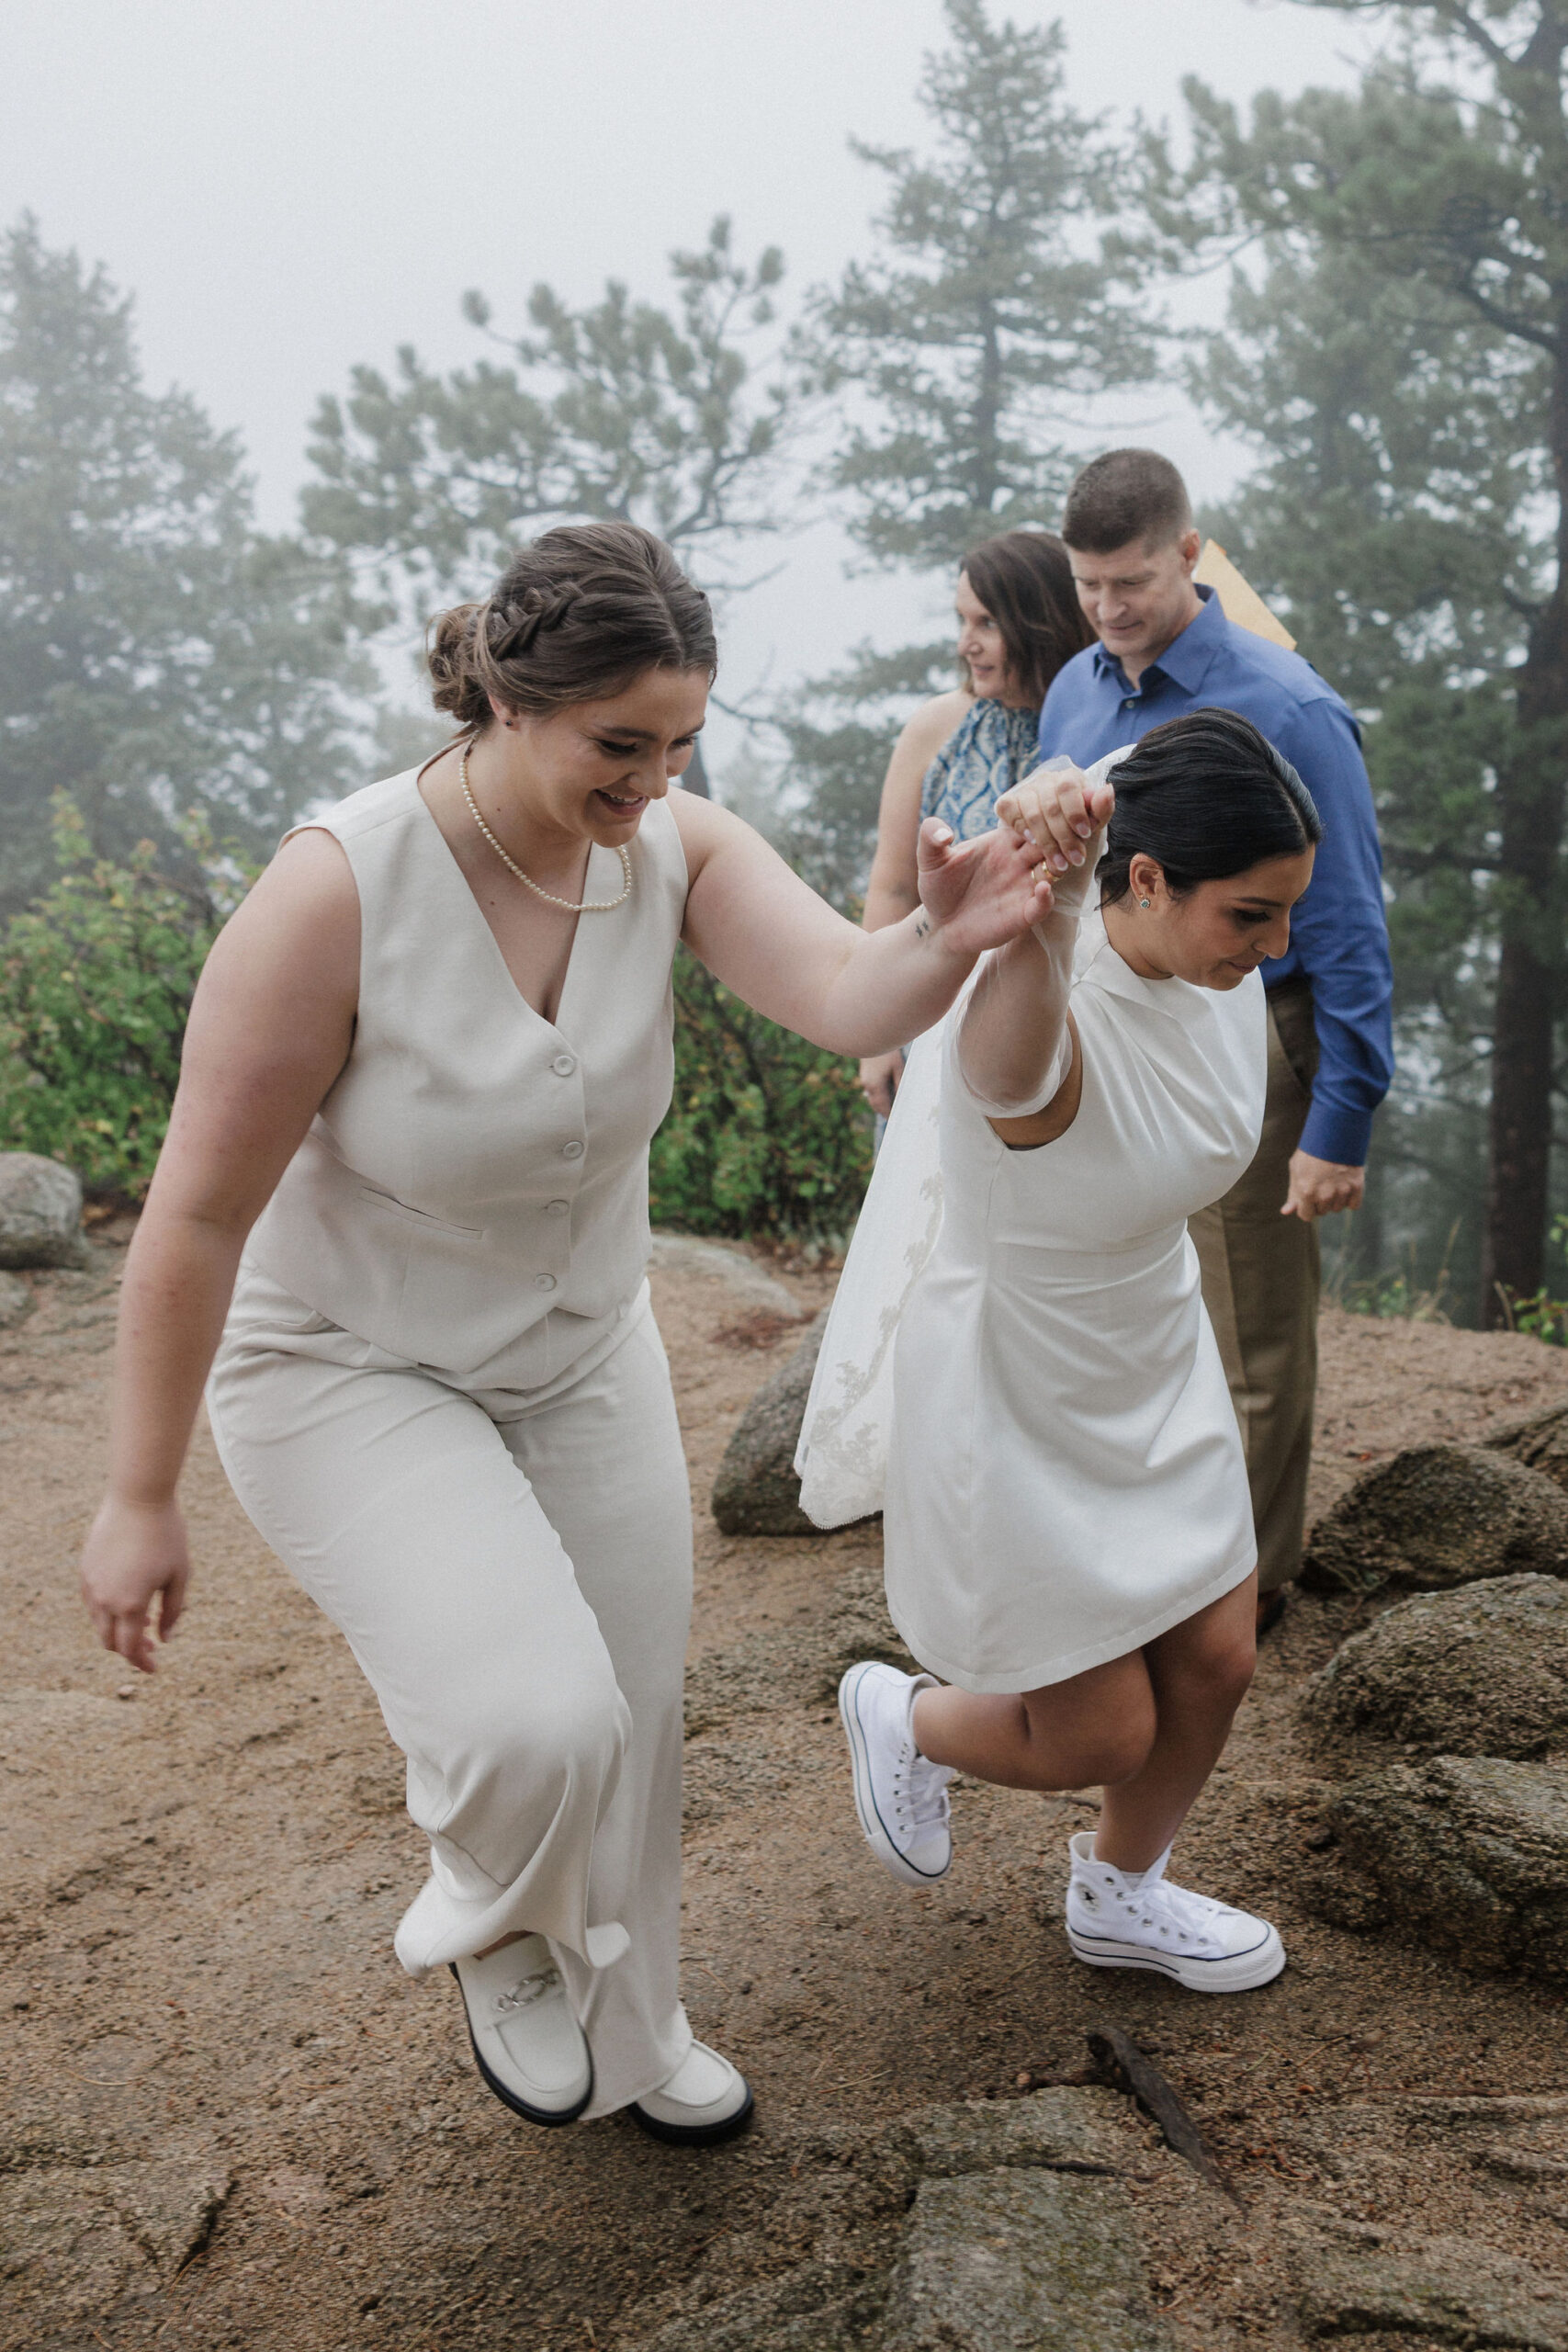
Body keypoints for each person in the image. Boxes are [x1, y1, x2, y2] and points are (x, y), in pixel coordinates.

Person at [76, 522, 1055, 2148]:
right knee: (536, 1720)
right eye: (620, 745)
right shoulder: (337, 892)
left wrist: (951, 936)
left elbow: (842, 994)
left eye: (681, 745)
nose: (654, 784)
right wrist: (138, 1493)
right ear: (508, 704)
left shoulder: (671, 846)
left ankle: (635, 2019)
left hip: (584, 1352)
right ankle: (498, 1921)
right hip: (346, 1366)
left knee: (633, 1716)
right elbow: (189, 1217)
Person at [802, 712, 1321, 1988]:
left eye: (1283, 913)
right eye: (1250, 915)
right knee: (1097, 1728)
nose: (1275, 947)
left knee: (1216, 1653)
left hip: (1148, 1334)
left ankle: (1120, 1892)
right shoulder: (1036, 995)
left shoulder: (1213, 968)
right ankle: (903, 1717)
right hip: (1019, 1374)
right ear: (1143, 881)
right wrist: (1038, 915)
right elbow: (1005, 1074)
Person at [1041, 450, 1393, 1631]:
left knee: (1248, 1329)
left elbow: (1343, 923)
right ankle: (1147, 1553)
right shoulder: (1072, 694)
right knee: (1142, 1306)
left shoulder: (1286, 701)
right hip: (1115, 1036)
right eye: (1088, 585)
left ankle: (1243, 1586)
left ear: (1191, 555)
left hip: (1258, 1031)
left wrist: (1339, 1121)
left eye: (1131, 580)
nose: (1108, 607)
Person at [858, 531, 1095, 1121]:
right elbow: (892, 886)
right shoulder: (934, 728)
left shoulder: (1093, 723)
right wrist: (877, 1035)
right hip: (935, 1021)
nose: (966, 643)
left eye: (986, 623)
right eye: (963, 620)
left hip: (1071, 1027)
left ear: (1038, 621)